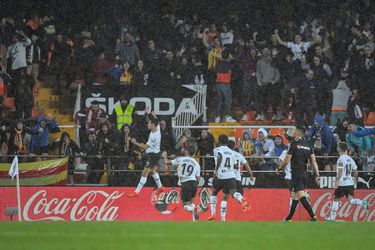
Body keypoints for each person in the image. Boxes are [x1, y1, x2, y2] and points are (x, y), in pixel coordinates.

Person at [278, 126, 320, 222]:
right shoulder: (308, 145)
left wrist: (280, 169)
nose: (293, 132)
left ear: (298, 133)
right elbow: (313, 161)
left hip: (296, 173)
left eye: (294, 131)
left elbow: (286, 161)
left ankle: (313, 217)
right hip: (305, 173)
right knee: (294, 197)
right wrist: (317, 175)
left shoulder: (294, 144)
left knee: (301, 196)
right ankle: (288, 218)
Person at [208, 134, 248, 221]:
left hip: (220, 175)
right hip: (231, 176)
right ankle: (241, 199)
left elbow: (219, 157)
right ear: (226, 141)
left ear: (219, 141)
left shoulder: (216, 150)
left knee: (214, 193)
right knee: (231, 194)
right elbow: (234, 164)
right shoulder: (232, 152)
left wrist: (216, 171)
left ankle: (213, 214)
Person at [326, 142, 369, 221]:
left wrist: (337, 182)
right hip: (350, 183)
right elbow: (356, 171)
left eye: (338, 147)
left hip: (342, 183)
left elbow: (340, 171)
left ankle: (332, 218)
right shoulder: (350, 159)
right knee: (351, 201)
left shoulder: (340, 159)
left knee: (336, 200)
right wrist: (355, 181)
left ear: (339, 149)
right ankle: (362, 202)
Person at [128, 110, 164, 197]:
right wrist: (148, 114)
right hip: (156, 153)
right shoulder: (157, 127)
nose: (147, 124)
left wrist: (135, 142)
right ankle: (160, 187)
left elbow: (145, 147)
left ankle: (137, 192)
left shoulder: (154, 136)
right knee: (153, 171)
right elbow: (155, 120)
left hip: (153, 156)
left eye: (149, 124)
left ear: (153, 125)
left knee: (144, 173)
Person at [162, 145, 200, 221]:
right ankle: (194, 219)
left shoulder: (181, 159)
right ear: (194, 153)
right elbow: (198, 178)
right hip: (194, 183)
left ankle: (194, 209)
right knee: (191, 202)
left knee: (185, 206)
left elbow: (167, 162)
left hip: (185, 183)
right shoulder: (197, 164)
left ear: (187, 152)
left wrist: (164, 156)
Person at [228, 140, 253, 210]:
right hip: (238, 178)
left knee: (232, 194)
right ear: (234, 146)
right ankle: (243, 203)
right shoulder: (239, 155)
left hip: (229, 177)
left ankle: (242, 200)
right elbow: (246, 165)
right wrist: (251, 174)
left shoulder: (226, 154)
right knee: (239, 194)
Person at [214, 50, 236, 123]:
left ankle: (217, 117)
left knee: (219, 101)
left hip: (218, 84)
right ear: (228, 56)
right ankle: (228, 117)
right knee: (228, 101)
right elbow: (236, 65)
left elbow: (214, 72)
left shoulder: (218, 63)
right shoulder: (229, 64)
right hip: (226, 85)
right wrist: (232, 59)